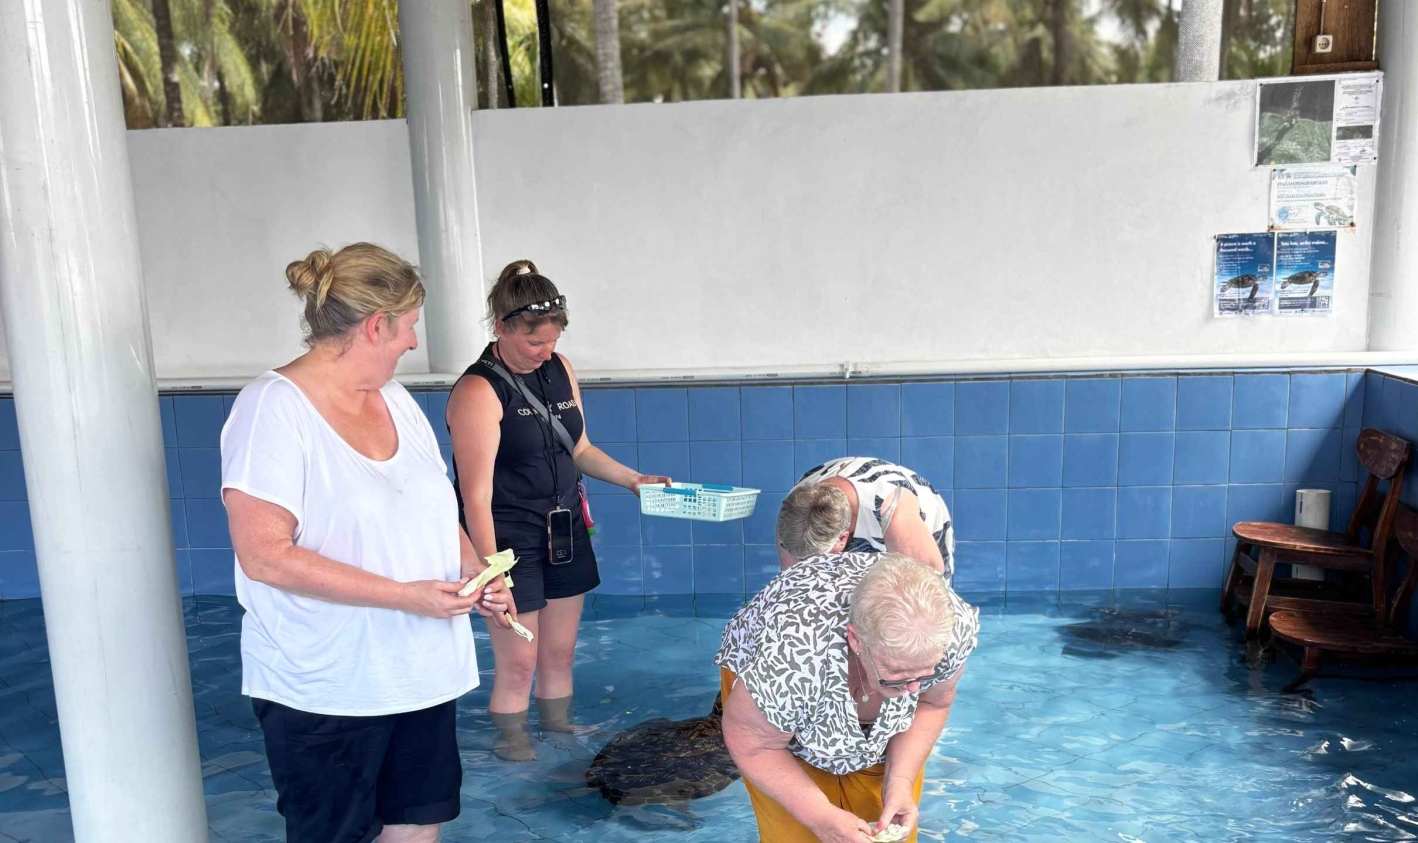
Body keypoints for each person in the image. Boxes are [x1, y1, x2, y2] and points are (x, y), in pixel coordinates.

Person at [221, 243, 515, 843]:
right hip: (327, 685)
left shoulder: (397, 401)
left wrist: (477, 573)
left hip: (419, 673)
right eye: (409, 326)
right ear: (377, 325)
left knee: (417, 829)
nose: (413, 341)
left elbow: (434, 510)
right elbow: (264, 555)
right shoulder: (272, 409)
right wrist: (405, 596)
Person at [447, 259, 669, 762]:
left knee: (559, 653)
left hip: (564, 528)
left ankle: (559, 730)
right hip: (508, 539)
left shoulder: (560, 368)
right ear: (501, 327)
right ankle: (513, 745)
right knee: (518, 663)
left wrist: (632, 480)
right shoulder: (478, 391)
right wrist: (491, 572)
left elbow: (580, 448)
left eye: (552, 340)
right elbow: (473, 496)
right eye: (533, 342)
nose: (544, 352)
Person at [717, 553, 980, 843]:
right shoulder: (789, 657)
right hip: (774, 698)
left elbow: (932, 702)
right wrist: (820, 816)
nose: (914, 689)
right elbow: (753, 744)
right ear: (855, 640)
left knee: (885, 825)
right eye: (897, 673)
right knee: (799, 833)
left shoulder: (949, 633)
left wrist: (900, 781)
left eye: (926, 673)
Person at [779, 458, 954, 581]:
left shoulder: (895, 514)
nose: (808, 565)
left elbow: (930, 580)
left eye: (813, 559)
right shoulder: (793, 515)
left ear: (842, 539)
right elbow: (794, 581)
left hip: (903, 512)